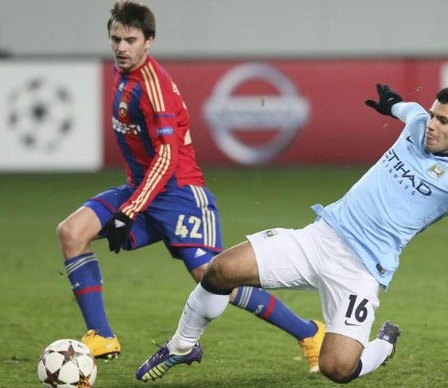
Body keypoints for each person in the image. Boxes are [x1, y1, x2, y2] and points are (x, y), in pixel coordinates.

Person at [135, 83, 448, 384]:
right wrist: (392, 102)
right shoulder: (417, 123)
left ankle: (383, 346)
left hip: (360, 272)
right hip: (320, 238)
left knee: (338, 369)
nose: (432, 124)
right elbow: (407, 109)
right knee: (220, 270)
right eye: (433, 114)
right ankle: (181, 346)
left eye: (444, 121)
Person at [56, 0, 324, 373]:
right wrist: (132, 202)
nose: (120, 47)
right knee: (72, 232)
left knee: (216, 279)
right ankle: (101, 335)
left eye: (130, 39)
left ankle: (310, 333)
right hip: (141, 188)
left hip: (180, 195)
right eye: (115, 39)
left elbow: (166, 159)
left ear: (149, 41)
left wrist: (128, 212)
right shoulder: (122, 73)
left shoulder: (153, 87)